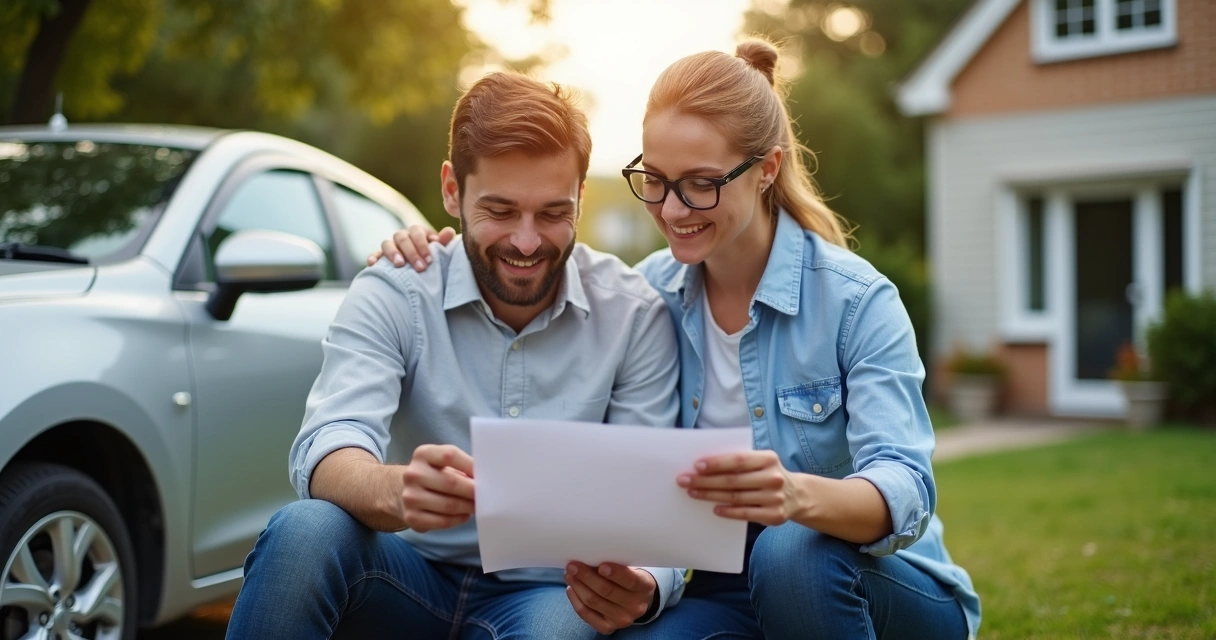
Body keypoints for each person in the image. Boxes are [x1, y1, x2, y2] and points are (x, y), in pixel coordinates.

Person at [372, 38, 981, 640]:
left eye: (700, 183)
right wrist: (445, 250)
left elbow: (906, 488)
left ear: (766, 169)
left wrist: (794, 496)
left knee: (790, 553)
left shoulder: (855, 302)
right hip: (728, 592)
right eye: (655, 179)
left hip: (879, 586)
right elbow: (642, 489)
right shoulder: (648, 298)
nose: (671, 209)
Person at [225, 71, 688, 640]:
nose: (525, 241)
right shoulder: (397, 287)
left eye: (551, 213)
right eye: (499, 210)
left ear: (581, 198)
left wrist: (644, 579)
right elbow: (330, 443)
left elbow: (651, 494)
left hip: (550, 592)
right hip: (403, 572)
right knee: (304, 532)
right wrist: (396, 490)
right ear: (452, 190)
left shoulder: (634, 315)